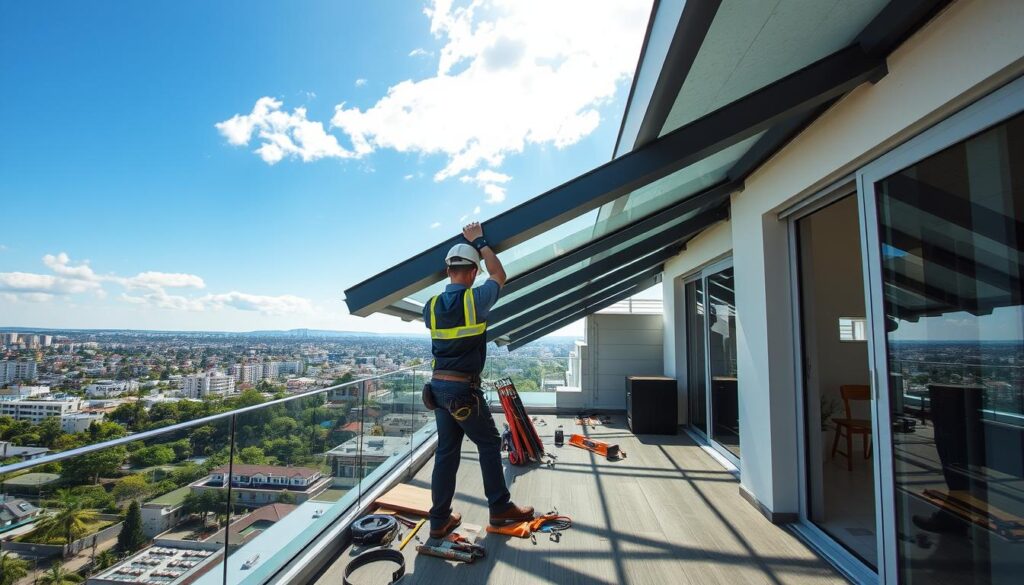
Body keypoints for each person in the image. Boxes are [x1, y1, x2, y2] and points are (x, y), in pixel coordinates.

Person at [423, 221, 534, 539]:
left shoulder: (429, 308)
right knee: (488, 443)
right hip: (463, 389)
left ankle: (439, 520)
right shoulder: (475, 300)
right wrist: (481, 241)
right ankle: (500, 509)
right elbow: (498, 275)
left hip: (438, 389)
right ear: (473, 272)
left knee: (446, 452)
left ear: (448, 272)